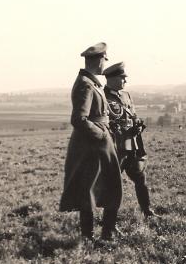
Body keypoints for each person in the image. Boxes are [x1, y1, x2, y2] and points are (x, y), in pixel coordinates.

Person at [59, 42, 123, 241]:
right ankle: (94, 236)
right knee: (92, 189)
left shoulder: (90, 82)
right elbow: (78, 119)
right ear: (99, 60)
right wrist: (101, 134)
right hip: (93, 144)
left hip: (98, 142)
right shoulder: (86, 85)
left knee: (102, 187)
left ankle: (105, 232)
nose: (105, 64)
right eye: (104, 60)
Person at [102, 62, 159, 219]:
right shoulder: (102, 97)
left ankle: (147, 210)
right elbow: (105, 124)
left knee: (141, 178)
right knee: (113, 186)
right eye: (122, 78)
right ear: (112, 79)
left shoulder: (126, 95)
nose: (125, 81)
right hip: (116, 149)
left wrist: (139, 125)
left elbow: (133, 116)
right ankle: (109, 222)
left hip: (132, 146)